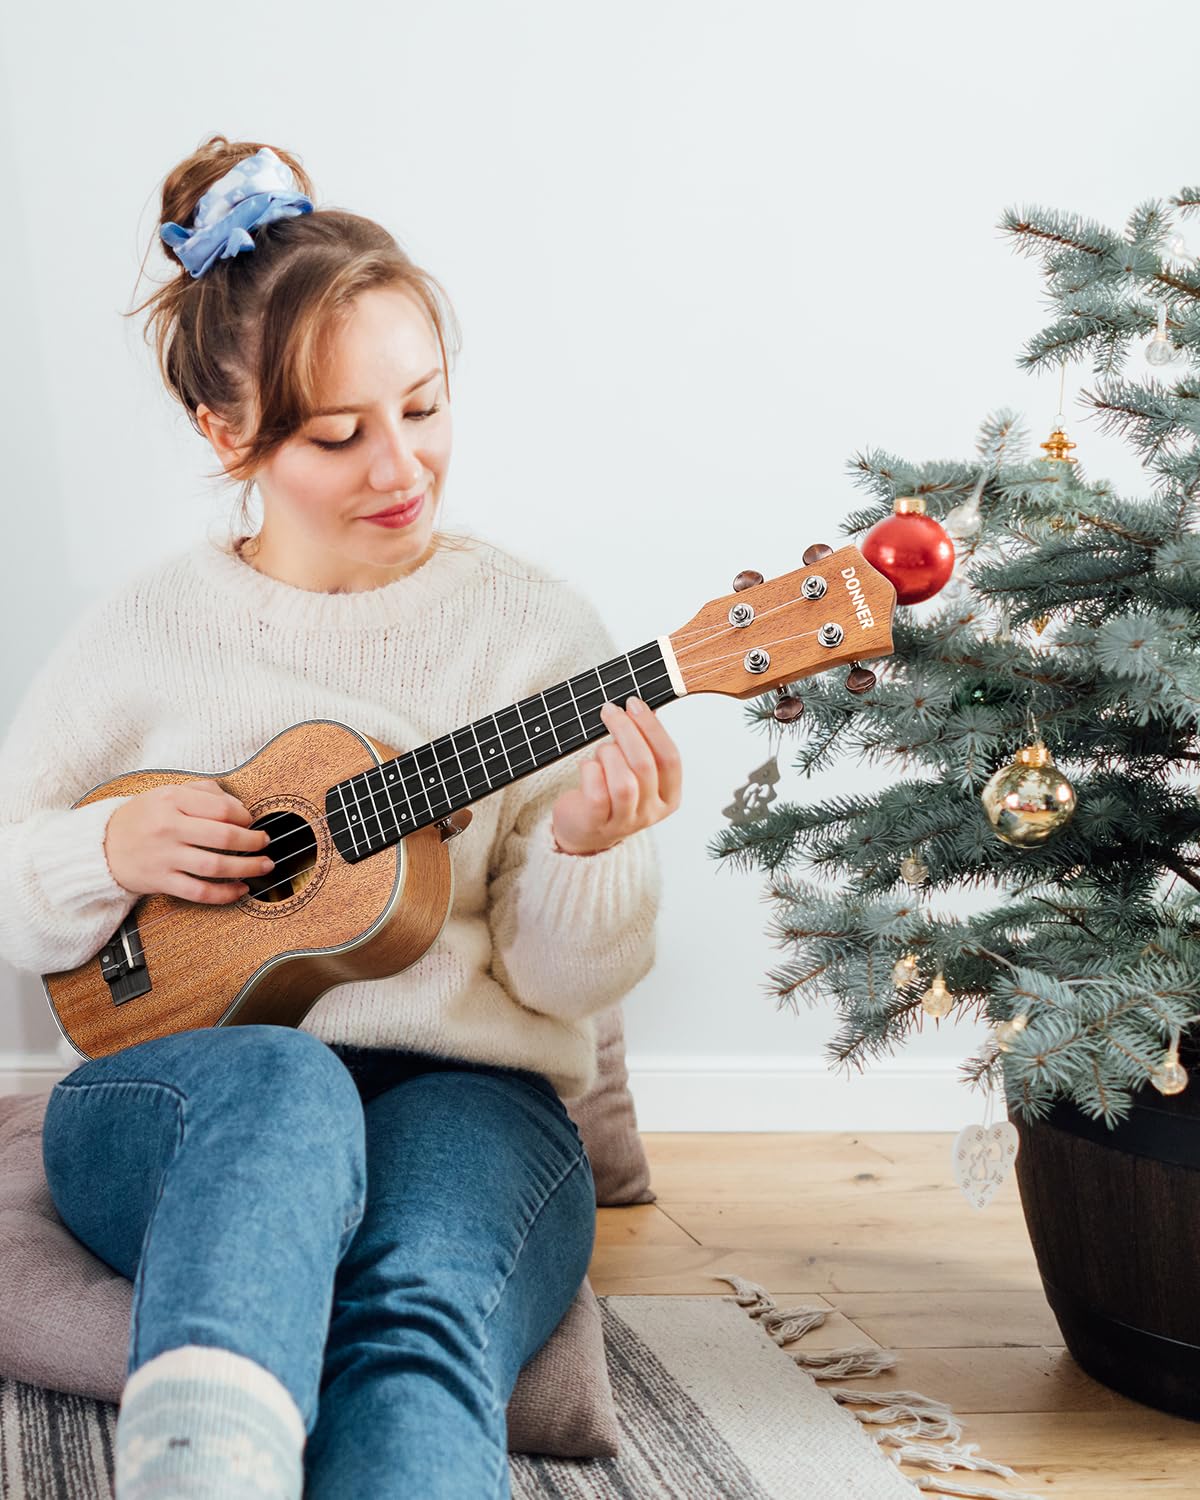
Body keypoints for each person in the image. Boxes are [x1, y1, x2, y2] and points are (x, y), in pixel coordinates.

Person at [0, 136, 681, 1499]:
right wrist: (106, 850)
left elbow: (563, 985)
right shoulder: (145, 632)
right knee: (288, 1085)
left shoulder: (538, 637)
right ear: (228, 436)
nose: (402, 466)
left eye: (423, 407)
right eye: (337, 433)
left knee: (415, 1316)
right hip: (187, 1093)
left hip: (473, 1102)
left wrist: (588, 855)